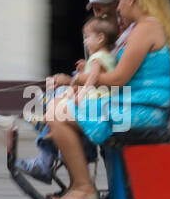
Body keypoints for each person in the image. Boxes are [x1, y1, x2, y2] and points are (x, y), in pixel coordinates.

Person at [46, 0, 170, 199]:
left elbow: (119, 77)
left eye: (120, 0)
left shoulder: (146, 28)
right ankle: (80, 185)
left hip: (142, 111)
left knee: (56, 112)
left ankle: (83, 188)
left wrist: (80, 80)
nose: (118, 7)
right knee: (59, 108)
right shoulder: (145, 27)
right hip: (137, 105)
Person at [16, 16, 116, 181]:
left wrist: (82, 91)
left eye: (88, 37)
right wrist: (84, 70)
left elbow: (94, 78)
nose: (85, 42)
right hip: (98, 99)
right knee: (63, 95)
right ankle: (47, 122)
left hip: (96, 102)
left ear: (100, 38)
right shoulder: (102, 57)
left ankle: (46, 123)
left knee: (61, 101)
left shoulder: (98, 58)